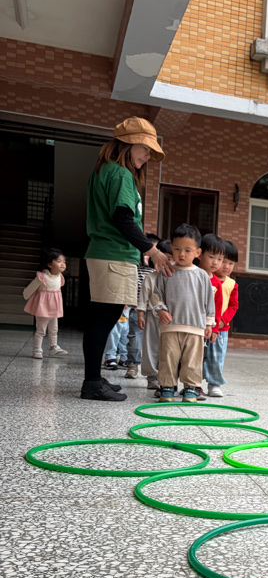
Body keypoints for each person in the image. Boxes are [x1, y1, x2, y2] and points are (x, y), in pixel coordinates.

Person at [81, 117, 172, 402]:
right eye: (145, 148)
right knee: (103, 319)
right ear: (127, 144)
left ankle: (94, 378)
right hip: (114, 255)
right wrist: (152, 251)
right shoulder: (120, 174)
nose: (147, 156)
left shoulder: (104, 170)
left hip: (104, 253)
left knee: (101, 318)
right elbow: (123, 219)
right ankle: (92, 383)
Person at [153, 224, 215, 403]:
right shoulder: (166, 272)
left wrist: (209, 323)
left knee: (192, 360)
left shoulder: (202, 275)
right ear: (171, 248)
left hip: (195, 326)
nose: (181, 254)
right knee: (168, 357)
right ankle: (167, 386)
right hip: (170, 326)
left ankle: (190, 388)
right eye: (177, 249)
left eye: (187, 250)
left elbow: (208, 301)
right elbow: (157, 294)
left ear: (197, 252)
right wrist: (161, 310)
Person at [205, 238, 239, 397]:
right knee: (198, 356)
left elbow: (233, 305)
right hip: (203, 325)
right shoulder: (206, 278)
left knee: (217, 357)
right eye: (223, 261)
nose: (226, 266)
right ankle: (194, 384)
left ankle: (214, 384)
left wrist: (223, 321)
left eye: (231, 263)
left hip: (221, 328)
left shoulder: (232, 284)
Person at [138, 238, 172, 392]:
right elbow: (143, 298)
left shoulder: (175, 277)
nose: (168, 262)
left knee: (168, 347)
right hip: (152, 317)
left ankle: (166, 375)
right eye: (165, 258)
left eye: (171, 259)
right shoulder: (150, 277)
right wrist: (140, 315)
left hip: (171, 319)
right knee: (151, 346)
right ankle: (152, 375)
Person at [124, 233, 159, 380]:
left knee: (153, 341)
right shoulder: (135, 268)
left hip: (154, 311)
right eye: (146, 252)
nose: (149, 256)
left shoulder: (157, 272)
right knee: (135, 338)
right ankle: (133, 364)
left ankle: (153, 372)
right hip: (136, 308)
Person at [23, 247, 68, 359]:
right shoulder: (42, 277)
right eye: (59, 261)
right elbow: (29, 289)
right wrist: (26, 295)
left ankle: (54, 347)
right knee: (41, 329)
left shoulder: (60, 277)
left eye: (64, 261)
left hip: (54, 307)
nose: (62, 264)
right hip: (43, 307)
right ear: (49, 264)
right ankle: (37, 349)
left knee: (54, 329)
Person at [198, 233, 225, 399]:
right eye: (212, 257)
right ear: (199, 254)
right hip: (189, 323)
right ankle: (187, 384)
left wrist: (215, 328)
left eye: (220, 259)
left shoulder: (216, 283)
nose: (216, 262)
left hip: (207, 327)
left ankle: (209, 384)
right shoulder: (191, 274)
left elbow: (218, 306)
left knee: (207, 356)